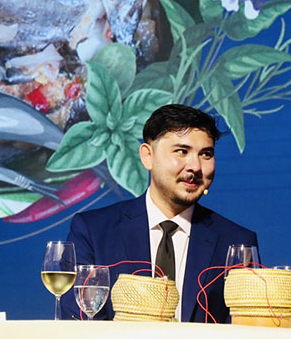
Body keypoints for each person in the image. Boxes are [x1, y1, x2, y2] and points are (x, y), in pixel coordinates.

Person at [60, 104, 259, 322]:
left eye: (206, 154)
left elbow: (245, 328)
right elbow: (79, 323)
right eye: (182, 151)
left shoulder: (237, 243)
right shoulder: (93, 231)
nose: (195, 166)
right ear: (148, 156)